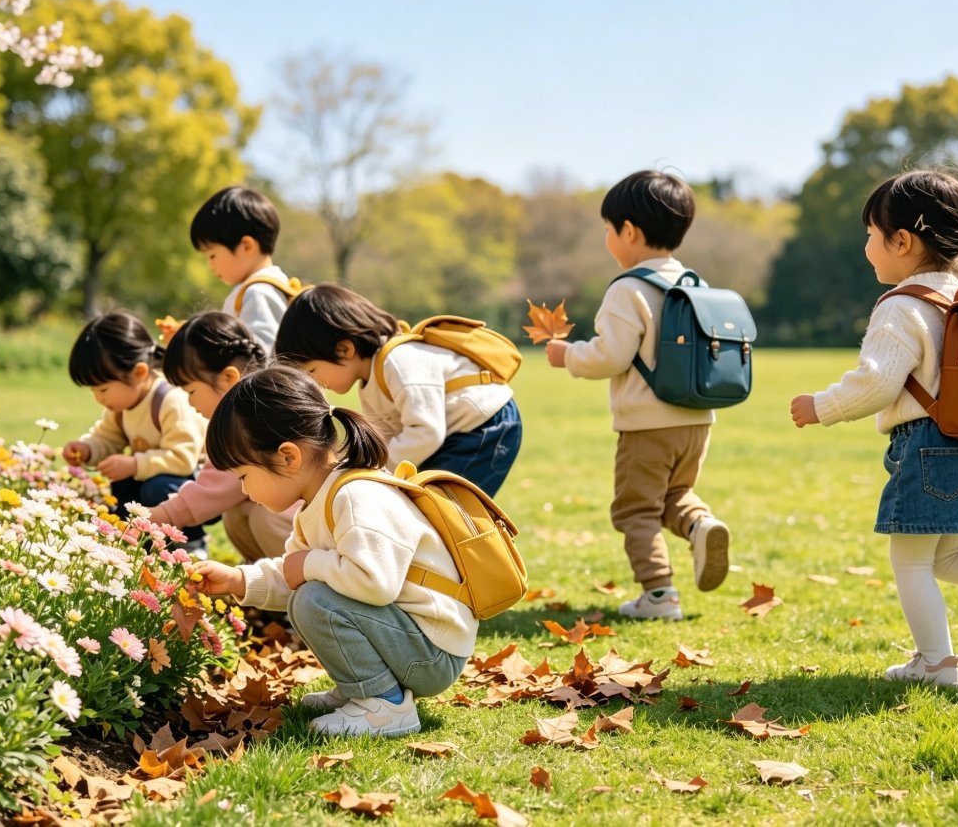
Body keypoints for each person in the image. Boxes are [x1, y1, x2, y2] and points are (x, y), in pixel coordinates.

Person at [789, 170, 958, 689]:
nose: (867, 245)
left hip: (929, 449)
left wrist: (819, 406)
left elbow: (876, 384)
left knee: (910, 559)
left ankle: (937, 665)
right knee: (952, 554)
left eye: (871, 234)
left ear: (902, 241)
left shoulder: (900, 307)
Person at [187, 364, 475, 737]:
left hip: (433, 654)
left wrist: (310, 564)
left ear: (288, 457)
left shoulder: (357, 496)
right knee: (308, 596)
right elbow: (292, 573)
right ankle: (361, 688)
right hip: (410, 639)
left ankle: (385, 704)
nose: (243, 491)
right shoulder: (319, 502)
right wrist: (239, 579)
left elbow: (375, 584)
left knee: (314, 601)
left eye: (244, 476)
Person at [545, 170, 730, 621]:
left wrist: (568, 355)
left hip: (648, 425)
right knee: (675, 495)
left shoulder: (629, 289)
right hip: (696, 420)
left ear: (628, 230)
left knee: (635, 510)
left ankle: (660, 595)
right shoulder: (694, 284)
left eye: (608, 229)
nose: (608, 237)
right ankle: (701, 524)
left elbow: (611, 355)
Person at [274, 285, 521, 497]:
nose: (315, 383)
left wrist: (373, 471)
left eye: (313, 371)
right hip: (455, 435)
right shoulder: (369, 381)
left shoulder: (399, 362)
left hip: (485, 426)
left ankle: (475, 549)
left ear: (344, 349)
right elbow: (386, 439)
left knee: (446, 508)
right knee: (426, 503)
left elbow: (426, 432)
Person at [150, 311, 292, 561]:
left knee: (265, 515)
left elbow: (211, 489)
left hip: (312, 528)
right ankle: (262, 579)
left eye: (191, 391)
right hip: (294, 517)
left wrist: (150, 519)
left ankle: (290, 585)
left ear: (228, 378)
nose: (189, 402)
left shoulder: (253, 418)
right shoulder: (237, 415)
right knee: (241, 508)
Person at [63, 312, 209, 556]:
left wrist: (134, 464)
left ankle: (191, 546)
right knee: (123, 483)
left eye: (103, 389)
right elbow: (107, 437)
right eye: (93, 390)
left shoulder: (170, 400)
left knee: (156, 487)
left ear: (139, 372)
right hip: (156, 473)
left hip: (198, 482)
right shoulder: (122, 407)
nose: (99, 398)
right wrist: (87, 449)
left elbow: (182, 459)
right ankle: (135, 546)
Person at [190, 185, 293, 350]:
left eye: (212, 255)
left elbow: (261, 354)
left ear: (246, 246)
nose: (210, 265)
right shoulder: (264, 287)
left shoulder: (258, 292)